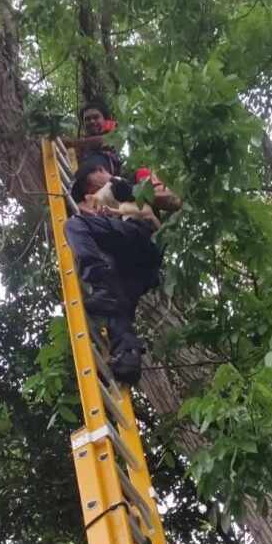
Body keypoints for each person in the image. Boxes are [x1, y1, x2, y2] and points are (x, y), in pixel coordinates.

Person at [65, 160, 163, 384]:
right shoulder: (103, 201)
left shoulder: (122, 183)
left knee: (75, 226)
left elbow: (168, 199)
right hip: (139, 265)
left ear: (100, 170)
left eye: (90, 186)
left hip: (142, 236)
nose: (90, 193)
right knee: (117, 306)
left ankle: (98, 277)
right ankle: (127, 358)